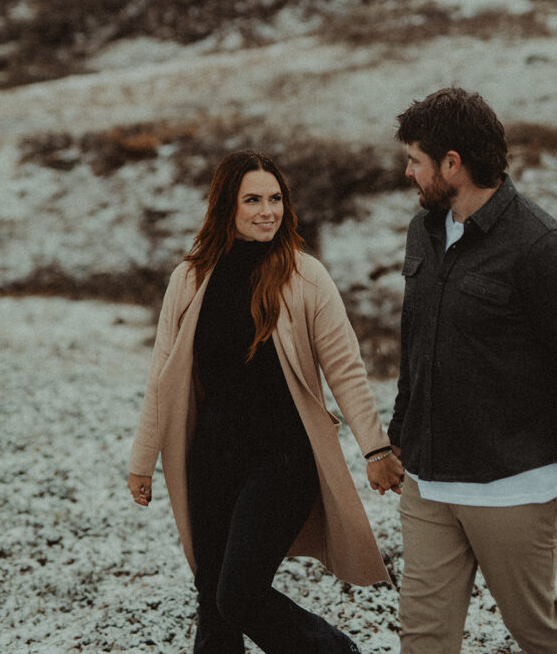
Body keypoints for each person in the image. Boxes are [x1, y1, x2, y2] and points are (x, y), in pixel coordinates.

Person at [388, 87, 557, 654]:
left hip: (513, 485)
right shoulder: (422, 231)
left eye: (416, 161)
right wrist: (400, 437)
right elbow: (416, 343)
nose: (408, 172)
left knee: (536, 631)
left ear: (453, 163)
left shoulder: (543, 249)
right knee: (422, 637)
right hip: (430, 481)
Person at [128, 149, 404, 654]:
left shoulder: (305, 276)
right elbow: (161, 379)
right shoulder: (189, 279)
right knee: (213, 604)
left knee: (239, 595)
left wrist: (376, 449)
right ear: (225, 207)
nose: (267, 211)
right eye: (252, 199)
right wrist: (142, 461)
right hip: (211, 459)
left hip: (283, 458)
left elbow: (345, 368)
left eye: (275, 199)